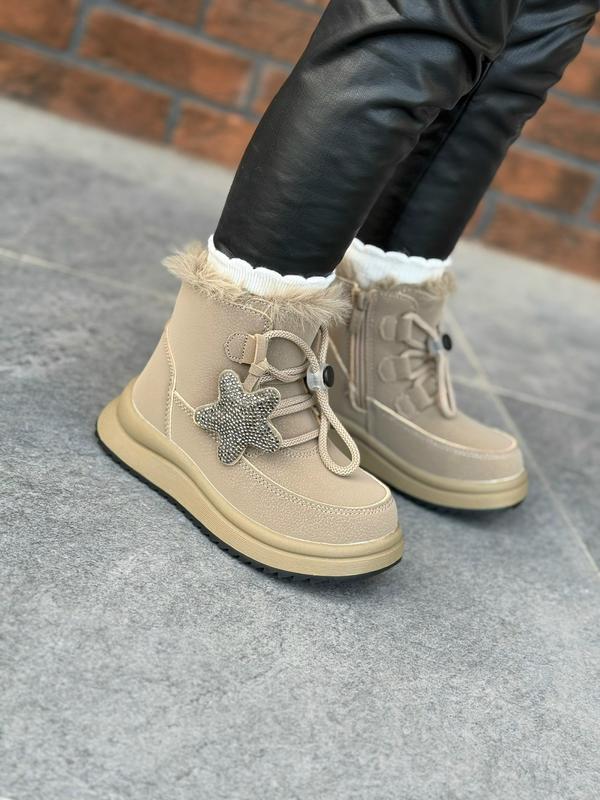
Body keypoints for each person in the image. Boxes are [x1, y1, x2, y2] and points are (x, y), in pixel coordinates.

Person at [97, 0, 597, 579]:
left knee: (528, 45)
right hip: (233, 392)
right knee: (422, 21)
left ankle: (369, 355)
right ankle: (202, 381)